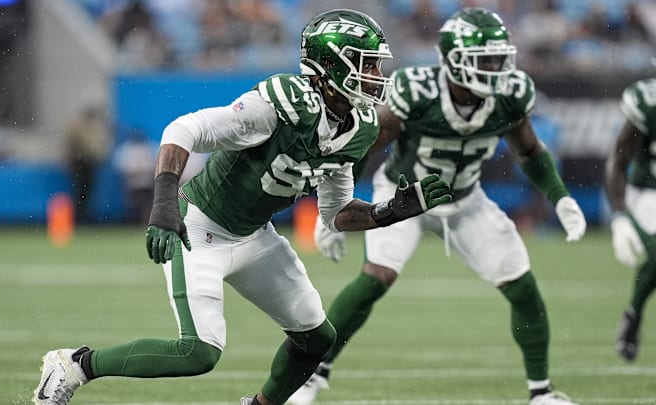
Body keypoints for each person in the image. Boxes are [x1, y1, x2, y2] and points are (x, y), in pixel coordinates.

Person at [32, 9, 452, 405]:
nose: (375, 76)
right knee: (197, 353)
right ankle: (73, 366)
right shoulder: (283, 103)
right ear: (330, 66)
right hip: (199, 228)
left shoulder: (360, 128)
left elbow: (336, 211)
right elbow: (185, 128)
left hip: (254, 235)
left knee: (318, 338)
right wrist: (163, 202)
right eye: (366, 63)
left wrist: (389, 212)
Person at [289, 7, 587, 405]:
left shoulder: (510, 95)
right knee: (375, 277)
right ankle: (312, 377)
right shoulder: (417, 92)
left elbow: (530, 151)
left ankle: (541, 393)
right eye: (486, 61)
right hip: (401, 198)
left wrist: (560, 197)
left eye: (500, 60)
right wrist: (337, 207)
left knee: (523, 285)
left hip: (464, 200)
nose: (497, 70)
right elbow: (364, 146)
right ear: (454, 60)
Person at [604, 64, 656, 362]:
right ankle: (634, 315)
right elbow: (617, 162)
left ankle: (633, 314)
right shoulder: (648, 104)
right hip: (648, 192)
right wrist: (619, 217)